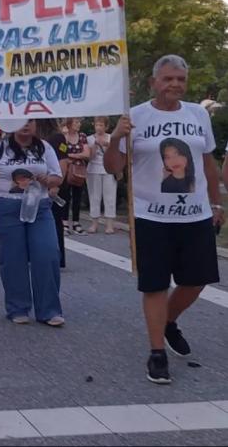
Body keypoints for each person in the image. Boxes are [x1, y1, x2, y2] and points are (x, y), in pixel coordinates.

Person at [104, 54, 223, 386]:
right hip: (150, 217)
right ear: (154, 82)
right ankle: (157, 353)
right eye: (168, 78)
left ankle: (168, 322)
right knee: (155, 285)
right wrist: (115, 137)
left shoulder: (198, 114)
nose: (175, 85)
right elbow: (114, 167)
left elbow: (208, 163)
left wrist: (217, 202)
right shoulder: (136, 117)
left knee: (197, 280)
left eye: (180, 79)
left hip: (195, 215)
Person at [0, 120, 64, 326]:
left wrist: (49, 180)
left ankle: (49, 310)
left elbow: (58, 177)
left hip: (39, 207)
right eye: (21, 121)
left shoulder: (44, 147)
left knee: (47, 254)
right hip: (7, 208)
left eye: (30, 121)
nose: (26, 125)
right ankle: (17, 307)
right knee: (14, 258)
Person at [37, 118, 69, 269]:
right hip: (43, 184)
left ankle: (58, 257)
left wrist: (57, 185)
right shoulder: (39, 138)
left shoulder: (57, 137)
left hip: (54, 184)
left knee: (55, 222)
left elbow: (63, 161)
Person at [60, 118, 91, 235]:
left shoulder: (82, 136)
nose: (79, 124)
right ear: (69, 124)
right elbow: (62, 151)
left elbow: (87, 154)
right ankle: (64, 222)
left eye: (79, 122)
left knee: (77, 197)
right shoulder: (64, 136)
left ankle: (76, 222)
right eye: (76, 122)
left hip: (79, 170)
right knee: (65, 196)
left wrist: (72, 155)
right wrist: (66, 136)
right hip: (66, 170)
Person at [86, 117, 117, 234]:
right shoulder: (89, 139)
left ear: (106, 126)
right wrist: (94, 145)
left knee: (110, 197)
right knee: (94, 196)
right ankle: (94, 224)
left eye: (101, 125)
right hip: (93, 169)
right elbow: (90, 157)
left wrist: (107, 145)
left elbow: (115, 154)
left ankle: (110, 225)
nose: (99, 127)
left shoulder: (111, 138)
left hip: (108, 169)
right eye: (97, 125)